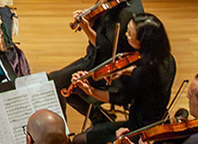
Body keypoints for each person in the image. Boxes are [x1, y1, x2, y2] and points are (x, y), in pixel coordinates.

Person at [49, 0, 143, 119]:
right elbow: (104, 30)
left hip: (105, 67)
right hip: (95, 58)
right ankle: (99, 118)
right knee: (59, 82)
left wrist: (86, 28)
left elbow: (103, 47)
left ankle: (97, 119)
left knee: (54, 82)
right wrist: (91, 22)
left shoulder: (126, 12)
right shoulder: (120, 1)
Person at [71, 14, 175, 144]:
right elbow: (150, 78)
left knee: (79, 140)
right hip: (158, 120)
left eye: (130, 33)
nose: (126, 35)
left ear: (142, 41)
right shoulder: (168, 59)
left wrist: (90, 90)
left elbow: (119, 98)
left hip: (139, 128)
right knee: (90, 132)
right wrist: (126, 70)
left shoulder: (142, 73)